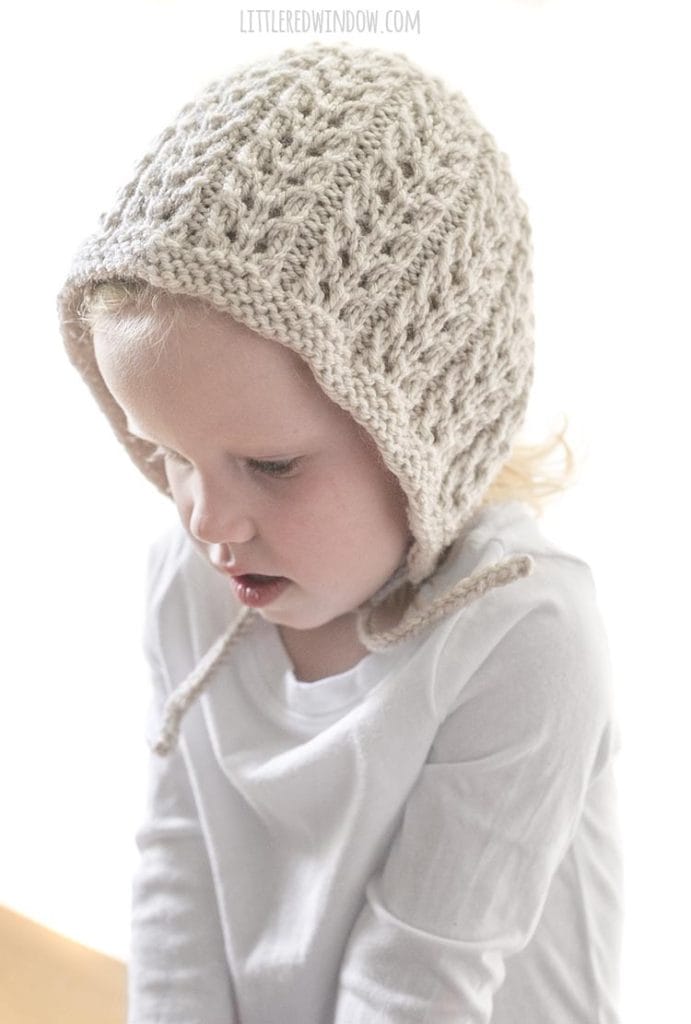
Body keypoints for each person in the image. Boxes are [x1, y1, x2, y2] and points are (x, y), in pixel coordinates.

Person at [56, 40, 623, 1024]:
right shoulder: (191, 573)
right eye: (170, 455)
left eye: (270, 465)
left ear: (427, 432)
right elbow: (175, 868)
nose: (206, 519)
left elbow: (420, 984)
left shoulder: (524, 632)